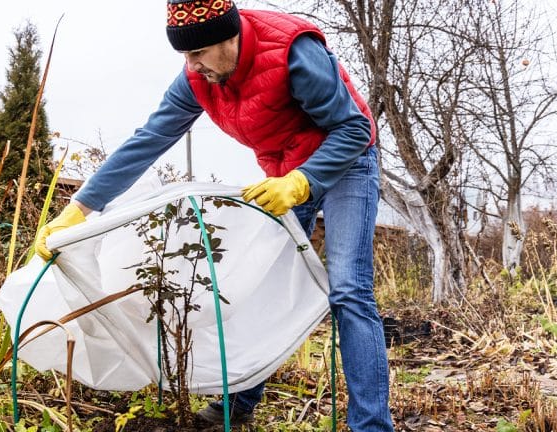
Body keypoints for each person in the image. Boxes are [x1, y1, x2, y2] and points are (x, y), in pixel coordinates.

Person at [35, 1, 394, 430]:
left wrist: (303, 182)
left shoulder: (292, 52)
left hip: (345, 161)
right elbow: (149, 138)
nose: (191, 66)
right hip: (283, 170)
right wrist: (81, 207)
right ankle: (238, 405)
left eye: (198, 54)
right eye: (185, 56)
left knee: (348, 289)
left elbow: (354, 128)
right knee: (262, 284)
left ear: (231, 37)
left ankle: (371, 425)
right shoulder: (196, 76)